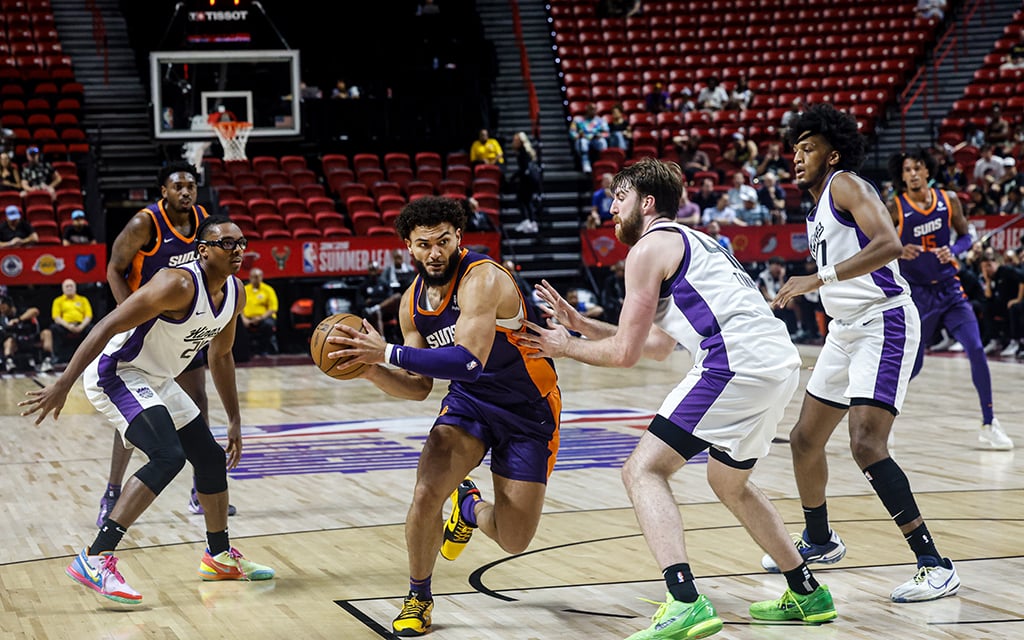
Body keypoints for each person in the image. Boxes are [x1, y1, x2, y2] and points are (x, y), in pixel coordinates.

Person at [516, 158, 836, 638]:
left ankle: (685, 600)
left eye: (618, 198)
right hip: (776, 365)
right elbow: (658, 344)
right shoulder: (693, 240)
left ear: (646, 203)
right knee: (730, 482)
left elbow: (624, 355)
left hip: (734, 364)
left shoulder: (646, 250)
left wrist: (567, 347)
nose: (611, 209)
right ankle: (807, 591)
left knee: (642, 470)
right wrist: (582, 327)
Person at [324, 196, 561, 637]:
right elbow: (418, 387)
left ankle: (469, 509)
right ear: (409, 248)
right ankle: (418, 596)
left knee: (514, 539)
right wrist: (372, 369)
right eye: (424, 244)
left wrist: (387, 350)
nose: (435, 252)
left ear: (459, 239)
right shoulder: (411, 303)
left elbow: (469, 360)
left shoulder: (483, 278)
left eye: (443, 241)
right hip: (469, 404)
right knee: (425, 495)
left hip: (527, 407)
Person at [19, 216, 274, 605]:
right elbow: (106, 325)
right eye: (228, 244)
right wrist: (63, 382)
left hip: (157, 378)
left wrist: (236, 420)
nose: (239, 250)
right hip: (118, 372)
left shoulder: (235, 293)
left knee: (208, 457)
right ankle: (95, 557)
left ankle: (219, 556)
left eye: (242, 243)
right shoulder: (176, 284)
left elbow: (221, 356)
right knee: (167, 455)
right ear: (203, 251)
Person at [768, 103, 960, 603]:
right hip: (845, 330)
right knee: (805, 439)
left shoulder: (846, 184)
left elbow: (891, 243)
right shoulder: (815, 206)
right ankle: (820, 540)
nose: (797, 157)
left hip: (885, 320)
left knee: (866, 443)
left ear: (833, 153)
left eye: (808, 148)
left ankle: (933, 563)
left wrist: (818, 278)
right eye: (794, 149)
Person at [99, 161, 235, 527]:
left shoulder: (206, 223)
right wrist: (129, 311)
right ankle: (112, 490)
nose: (186, 192)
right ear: (165, 192)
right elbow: (114, 267)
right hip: (145, 325)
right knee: (132, 414)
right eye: (178, 186)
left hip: (182, 321)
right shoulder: (146, 223)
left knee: (198, 399)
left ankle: (200, 485)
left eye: (191, 185)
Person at [887, 149, 1013, 450]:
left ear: (928, 171)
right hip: (917, 296)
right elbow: (873, 240)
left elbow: (966, 236)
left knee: (976, 348)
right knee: (912, 366)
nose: (913, 174)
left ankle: (989, 422)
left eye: (918, 168)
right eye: (907, 170)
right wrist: (897, 248)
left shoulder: (948, 200)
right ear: (901, 176)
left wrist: (954, 251)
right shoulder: (895, 207)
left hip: (950, 290)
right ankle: (883, 420)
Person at [2, 295, 54, 373]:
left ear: (8, 305)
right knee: (8, 341)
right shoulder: (3, 318)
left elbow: (35, 311)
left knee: (47, 333)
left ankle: (47, 361)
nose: (1, 309)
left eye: (3, 307)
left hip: (32, 338)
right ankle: (9, 362)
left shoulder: (21, 311)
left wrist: (19, 320)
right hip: (17, 342)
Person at [50, 278, 93, 364]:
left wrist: (81, 327)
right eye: (67, 286)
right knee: (54, 328)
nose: (69, 288)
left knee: (93, 328)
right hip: (65, 326)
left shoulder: (83, 299)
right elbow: (56, 317)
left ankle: (90, 355)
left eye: (71, 286)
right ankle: (58, 356)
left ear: (75, 288)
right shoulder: (58, 301)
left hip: (81, 325)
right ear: (63, 288)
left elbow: (89, 316)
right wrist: (69, 326)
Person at [241, 267, 278, 356]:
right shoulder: (244, 289)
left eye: (258, 276)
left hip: (264, 317)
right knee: (237, 325)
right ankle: (245, 351)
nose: (256, 279)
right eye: (254, 277)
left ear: (262, 277)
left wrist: (260, 318)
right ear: (250, 278)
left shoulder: (268, 290)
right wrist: (244, 318)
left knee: (268, 325)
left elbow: (273, 308)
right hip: (247, 318)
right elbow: (239, 307)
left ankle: (263, 349)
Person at [511, 131, 542, 233]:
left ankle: (526, 221)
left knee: (520, 199)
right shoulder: (527, 151)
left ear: (520, 141)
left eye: (515, 140)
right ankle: (533, 223)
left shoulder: (522, 152)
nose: (513, 142)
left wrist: (513, 177)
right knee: (528, 201)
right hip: (531, 179)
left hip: (527, 179)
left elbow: (523, 169)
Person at [569, 102, 610, 174]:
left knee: (602, 142)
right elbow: (572, 132)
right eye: (591, 109)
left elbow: (607, 133)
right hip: (584, 138)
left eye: (595, 109)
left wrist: (601, 135)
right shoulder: (578, 120)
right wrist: (578, 135)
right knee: (582, 143)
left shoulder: (601, 121)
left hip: (596, 139)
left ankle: (603, 163)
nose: (593, 111)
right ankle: (586, 164)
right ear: (587, 110)